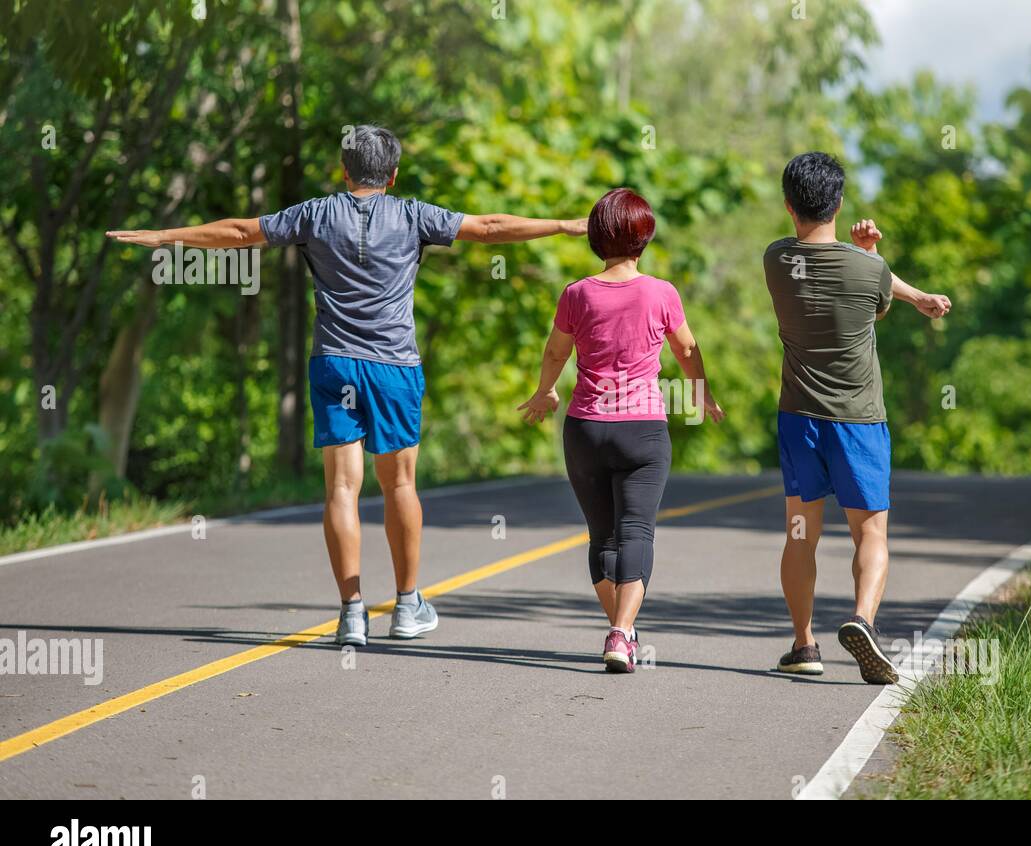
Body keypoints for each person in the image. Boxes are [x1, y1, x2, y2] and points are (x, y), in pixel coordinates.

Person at [108, 125, 587, 647]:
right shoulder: (413, 215)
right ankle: (407, 606)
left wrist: (164, 237)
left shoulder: (314, 214)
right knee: (399, 484)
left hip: (334, 363)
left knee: (341, 488)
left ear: (344, 170)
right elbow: (492, 227)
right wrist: (564, 225)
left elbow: (242, 234)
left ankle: (352, 613)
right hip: (394, 368)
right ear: (394, 174)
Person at [518, 187, 724, 673]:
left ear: (595, 237)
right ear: (644, 236)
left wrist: (546, 391)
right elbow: (688, 351)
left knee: (601, 537)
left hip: (585, 429)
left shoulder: (576, 293)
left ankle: (621, 631)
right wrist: (701, 394)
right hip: (642, 431)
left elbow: (555, 353)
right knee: (636, 532)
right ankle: (621, 633)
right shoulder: (662, 292)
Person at [763, 152, 951, 683]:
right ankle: (862, 619)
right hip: (860, 423)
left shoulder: (776, 260)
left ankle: (804, 645)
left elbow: (841, 278)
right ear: (839, 203)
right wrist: (874, 258)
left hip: (799, 419)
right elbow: (873, 307)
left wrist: (863, 257)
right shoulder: (869, 268)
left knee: (800, 534)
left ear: (788, 205)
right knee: (870, 534)